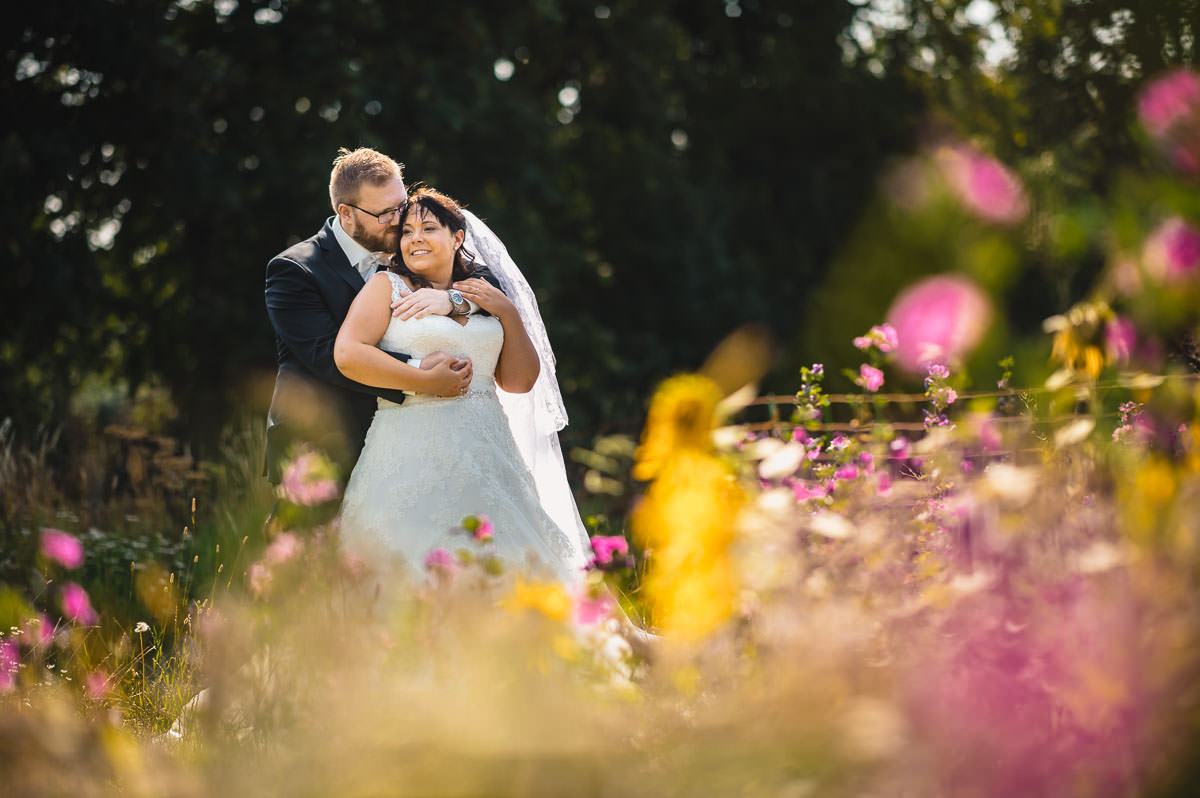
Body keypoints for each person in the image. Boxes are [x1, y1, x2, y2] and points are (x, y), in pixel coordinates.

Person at [334, 188, 591, 582]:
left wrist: (504, 309)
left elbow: (520, 381)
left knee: (507, 567)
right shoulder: (386, 286)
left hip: (488, 453)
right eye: (406, 231)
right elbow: (349, 353)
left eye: (429, 228)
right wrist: (423, 380)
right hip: (407, 451)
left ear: (457, 237)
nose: (415, 238)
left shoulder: (485, 294)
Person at [264, 148, 493, 486]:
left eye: (401, 205)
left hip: (408, 443)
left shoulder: (409, 246)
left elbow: (490, 283)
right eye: (387, 213)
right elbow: (326, 356)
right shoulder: (295, 270)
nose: (401, 220)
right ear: (346, 214)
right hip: (322, 441)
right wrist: (422, 373)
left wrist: (453, 300)